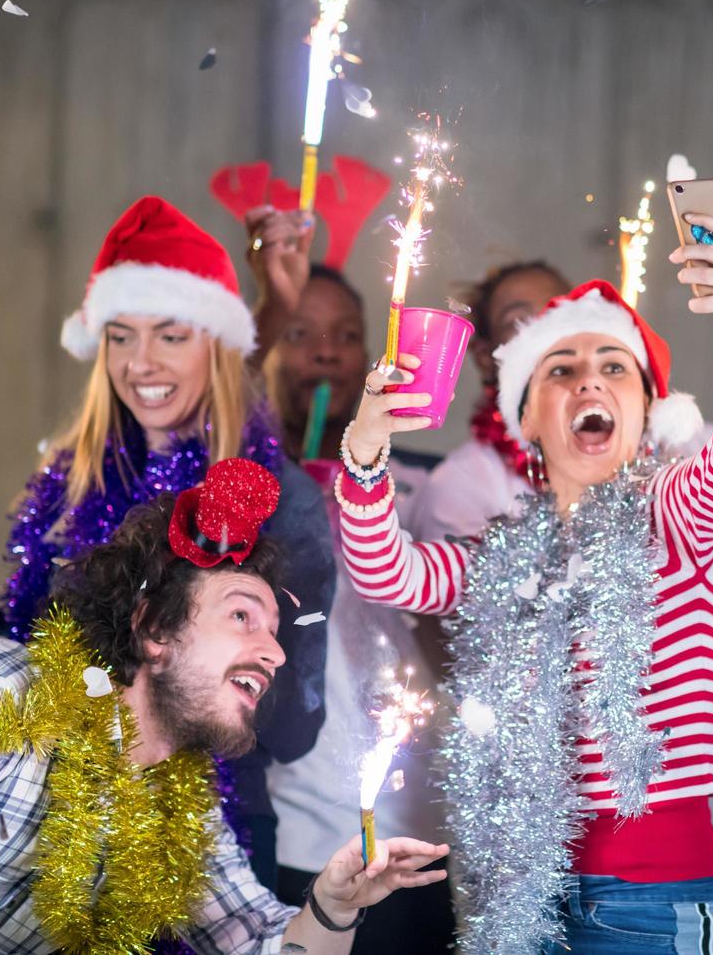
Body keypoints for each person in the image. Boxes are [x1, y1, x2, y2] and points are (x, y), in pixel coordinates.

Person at [334, 211, 713, 954]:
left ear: (647, 411)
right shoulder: (507, 554)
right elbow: (387, 571)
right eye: (561, 368)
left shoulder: (673, 517)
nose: (590, 377)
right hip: (522, 902)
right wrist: (364, 458)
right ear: (525, 418)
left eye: (615, 366)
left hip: (651, 905)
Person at [0, 458, 447, 954]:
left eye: (274, 632)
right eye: (243, 617)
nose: (273, 654)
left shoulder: (179, 803)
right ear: (154, 628)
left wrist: (331, 906)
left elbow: (262, 945)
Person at [0, 195, 334, 887]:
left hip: (204, 843)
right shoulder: (74, 483)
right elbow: (31, 683)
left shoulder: (278, 498)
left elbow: (294, 730)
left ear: (217, 345)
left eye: (171, 335)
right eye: (120, 335)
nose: (141, 363)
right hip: (53, 830)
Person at [244, 208, 455, 952]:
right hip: (298, 831)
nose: (326, 358)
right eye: (299, 336)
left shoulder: (428, 488)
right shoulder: (247, 495)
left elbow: (455, 647)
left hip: (421, 836)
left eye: (345, 338)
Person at [410, 260, 569, 541]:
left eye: (561, 313)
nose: (548, 334)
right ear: (485, 357)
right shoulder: (460, 483)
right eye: (519, 321)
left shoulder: (633, 452)